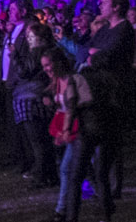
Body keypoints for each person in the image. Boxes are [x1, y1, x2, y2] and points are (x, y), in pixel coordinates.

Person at [47, 49, 116, 222]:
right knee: (101, 175)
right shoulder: (104, 79)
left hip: (86, 129)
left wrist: (66, 130)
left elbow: (71, 107)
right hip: (106, 126)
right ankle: (107, 216)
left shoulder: (73, 79)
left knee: (74, 177)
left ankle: (71, 217)